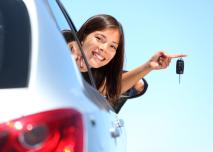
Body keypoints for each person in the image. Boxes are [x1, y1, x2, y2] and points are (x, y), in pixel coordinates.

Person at [62, 14, 186, 111]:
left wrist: (149, 66)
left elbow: (113, 87)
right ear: (83, 37)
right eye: (99, 38)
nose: (104, 48)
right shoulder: (63, 41)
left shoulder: (96, 79)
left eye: (112, 46)